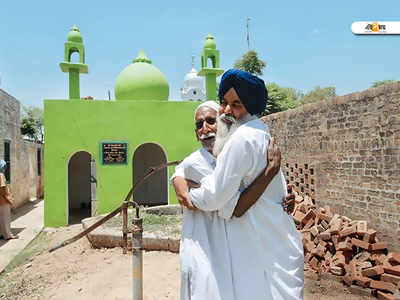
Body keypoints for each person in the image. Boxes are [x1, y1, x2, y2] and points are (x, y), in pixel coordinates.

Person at [179, 70, 304, 299]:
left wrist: (192, 196)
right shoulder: (260, 132)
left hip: (258, 243)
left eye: (236, 104)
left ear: (250, 104)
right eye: (224, 103)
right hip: (268, 241)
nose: (227, 111)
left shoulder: (240, 139)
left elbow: (221, 200)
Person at [0, 160, 17, 240]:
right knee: (5, 219)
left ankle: (2, 234)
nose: (5, 168)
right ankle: (8, 235)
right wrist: (9, 200)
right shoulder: (1, 175)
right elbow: (2, 188)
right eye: (4, 166)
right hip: (3, 201)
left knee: (1, 219)